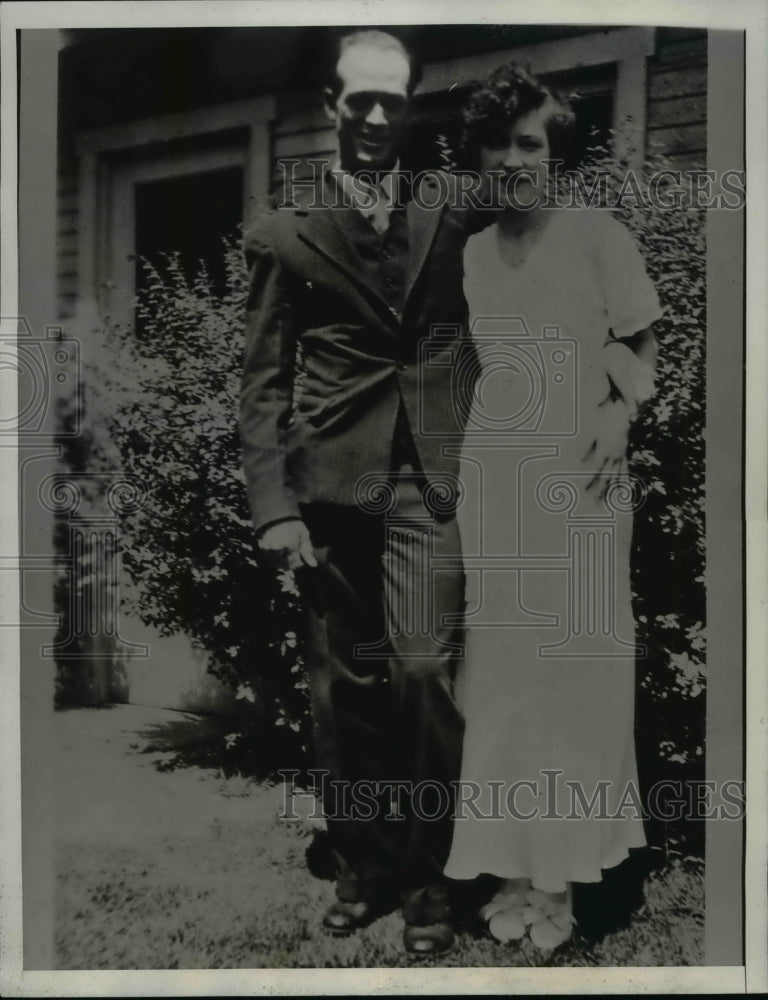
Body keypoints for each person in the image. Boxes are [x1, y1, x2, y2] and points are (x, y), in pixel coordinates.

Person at [239, 29, 487, 956]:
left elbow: (534, 262)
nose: (378, 116)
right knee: (343, 690)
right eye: (360, 100)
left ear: (412, 105)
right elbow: (262, 380)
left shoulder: (453, 205)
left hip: (431, 477)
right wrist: (274, 508)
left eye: (394, 99)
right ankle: (363, 867)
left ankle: (430, 878)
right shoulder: (285, 229)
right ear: (331, 107)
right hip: (330, 483)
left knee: (422, 672)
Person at [443, 63, 662, 953]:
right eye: (497, 143)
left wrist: (620, 416)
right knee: (502, 679)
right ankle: (506, 870)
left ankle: (560, 883)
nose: (512, 159)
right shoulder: (471, 252)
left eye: (528, 143)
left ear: (554, 152)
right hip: (498, 478)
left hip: (581, 475)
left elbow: (640, 341)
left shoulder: (596, 234)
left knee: (572, 674)